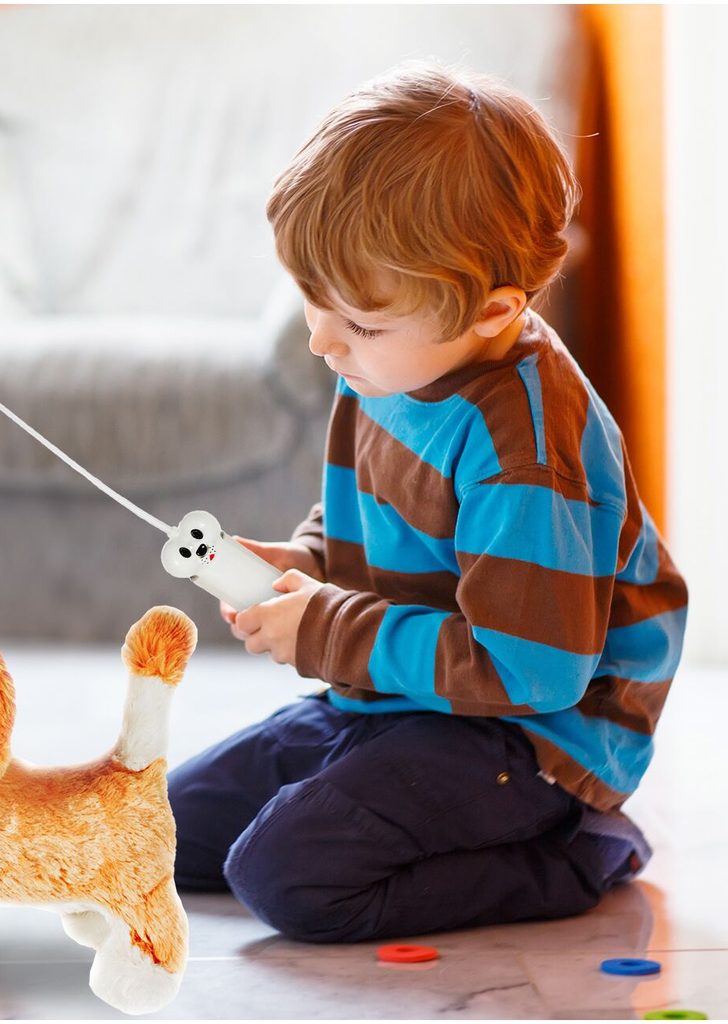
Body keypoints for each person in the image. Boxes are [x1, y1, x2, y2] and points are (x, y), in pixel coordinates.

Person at [166, 60, 688, 943]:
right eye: (311, 300)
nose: (321, 341)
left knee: (285, 876)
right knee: (157, 830)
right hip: (402, 696)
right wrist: (307, 563)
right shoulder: (389, 362)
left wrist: (329, 630)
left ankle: (578, 850)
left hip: (531, 740)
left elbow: (533, 673)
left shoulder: (525, 453)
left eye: (359, 322)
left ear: (491, 311)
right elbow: (369, 517)